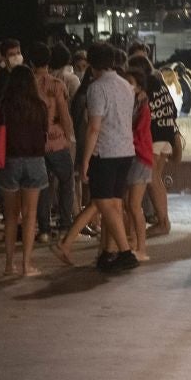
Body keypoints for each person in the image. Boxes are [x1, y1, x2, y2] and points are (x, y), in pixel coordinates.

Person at [75, 44, 139, 271]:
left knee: (103, 201)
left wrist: (85, 160)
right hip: (126, 150)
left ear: (92, 64)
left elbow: (94, 127)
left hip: (105, 151)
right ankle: (109, 253)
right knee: (114, 203)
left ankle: (124, 252)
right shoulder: (126, 86)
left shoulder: (96, 88)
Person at [0, 65, 50, 277]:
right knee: (30, 216)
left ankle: (9, 264)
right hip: (35, 161)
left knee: (10, 216)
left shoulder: (5, 106)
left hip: (10, 161)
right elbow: (44, 134)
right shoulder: (39, 106)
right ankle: (27, 265)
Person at [31, 42, 76, 237]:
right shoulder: (57, 85)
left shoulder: (27, 84)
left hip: (34, 143)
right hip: (57, 141)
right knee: (66, 182)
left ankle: (44, 229)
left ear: (30, 61)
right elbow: (64, 115)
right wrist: (69, 136)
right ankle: (65, 224)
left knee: (42, 185)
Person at [132, 56, 176, 238]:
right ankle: (163, 221)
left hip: (154, 136)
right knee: (156, 179)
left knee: (152, 179)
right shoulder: (160, 83)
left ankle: (163, 222)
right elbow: (173, 109)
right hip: (167, 134)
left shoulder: (146, 86)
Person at [122, 68, 154, 262]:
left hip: (141, 158)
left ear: (139, 86)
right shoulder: (133, 104)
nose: (127, 86)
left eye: (130, 82)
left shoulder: (143, 107)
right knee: (128, 204)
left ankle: (142, 248)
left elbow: (139, 133)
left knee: (134, 205)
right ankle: (134, 242)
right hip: (132, 156)